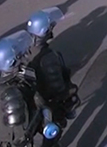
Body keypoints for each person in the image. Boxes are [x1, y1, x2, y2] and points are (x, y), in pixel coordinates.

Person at [0, 31, 61, 147]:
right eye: (18, 57)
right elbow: (21, 136)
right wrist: (40, 112)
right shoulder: (10, 94)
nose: (21, 58)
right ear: (10, 62)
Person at [23, 8, 80, 145]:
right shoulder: (48, 58)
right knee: (52, 138)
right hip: (48, 107)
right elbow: (58, 88)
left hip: (30, 105)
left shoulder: (24, 52)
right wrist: (72, 92)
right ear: (44, 31)